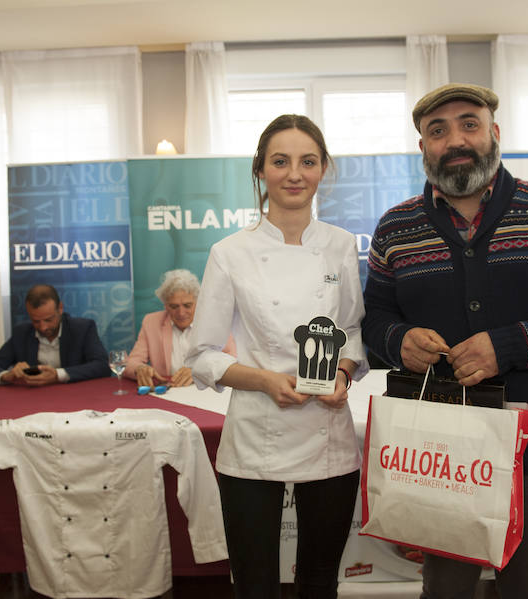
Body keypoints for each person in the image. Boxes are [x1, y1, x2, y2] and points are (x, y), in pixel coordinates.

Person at [362, 83, 528, 599]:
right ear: (423, 148)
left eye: (469, 124)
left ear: (494, 133)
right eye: (437, 131)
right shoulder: (396, 227)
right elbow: (374, 321)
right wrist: (398, 341)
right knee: (445, 591)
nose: (454, 139)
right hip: (436, 458)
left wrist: (507, 346)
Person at [187, 114, 368, 599]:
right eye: (281, 161)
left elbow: (351, 331)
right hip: (254, 436)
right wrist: (265, 380)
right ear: (261, 170)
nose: (295, 173)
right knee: (255, 584)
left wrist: (345, 374)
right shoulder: (231, 252)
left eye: (308, 161)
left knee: (318, 580)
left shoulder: (341, 245)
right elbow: (201, 354)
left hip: (328, 435)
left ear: (323, 168)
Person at [123, 268, 234, 389]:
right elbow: (130, 363)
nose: (181, 313)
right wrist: (140, 369)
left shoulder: (213, 321)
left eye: (187, 305)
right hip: (170, 391)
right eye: (174, 306)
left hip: (207, 390)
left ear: (198, 302)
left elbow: (233, 357)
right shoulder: (151, 322)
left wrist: (201, 371)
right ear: (165, 305)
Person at [0, 284, 111, 386]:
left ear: (60, 308)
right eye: (36, 321)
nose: (43, 327)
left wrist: (58, 375)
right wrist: (6, 375)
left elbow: (102, 366)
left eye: (48, 320)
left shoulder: (82, 329)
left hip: (75, 398)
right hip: (32, 400)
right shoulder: (22, 333)